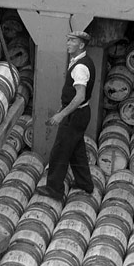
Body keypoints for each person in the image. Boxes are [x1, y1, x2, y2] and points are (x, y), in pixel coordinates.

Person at [36, 31, 95, 201]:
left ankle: (54, 189)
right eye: (68, 40)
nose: (68, 43)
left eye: (72, 41)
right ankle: (85, 183)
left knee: (60, 152)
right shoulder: (82, 61)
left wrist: (61, 114)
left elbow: (80, 96)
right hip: (81, 114)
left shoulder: (80, 67)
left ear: (81, 45)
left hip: (75, 115)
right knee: (77, 150)